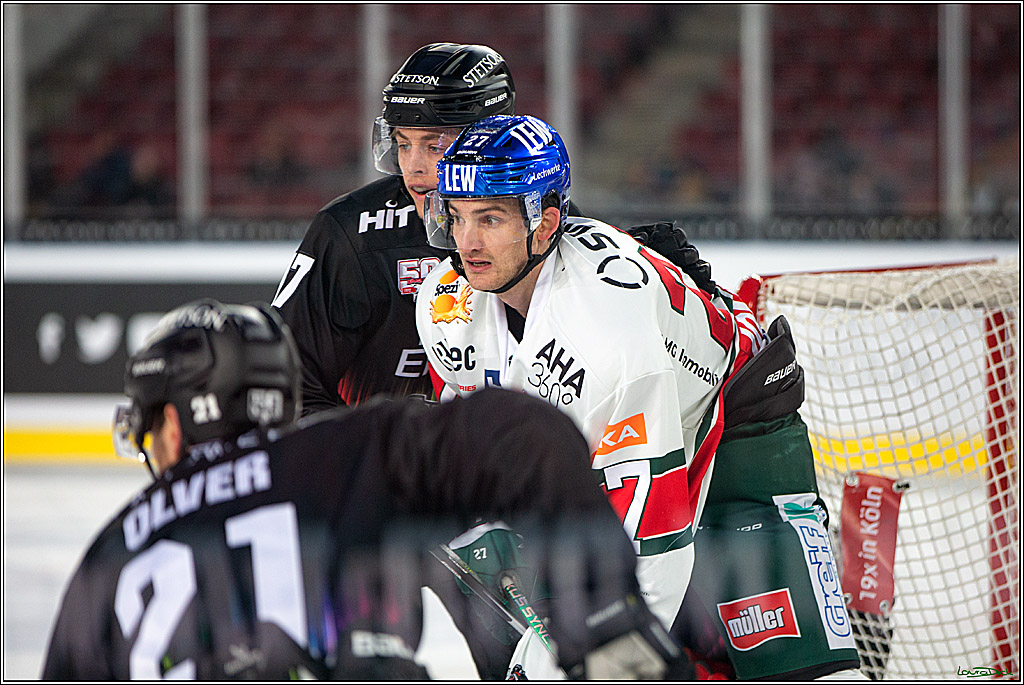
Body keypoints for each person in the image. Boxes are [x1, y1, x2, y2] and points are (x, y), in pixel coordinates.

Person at [414, 115, 862, 679]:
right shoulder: (444, 303)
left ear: (546, 223)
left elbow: (659, 539)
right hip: (627, 450)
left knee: (802, 669)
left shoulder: (608, 336)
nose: (466, 241)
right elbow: (467, 445)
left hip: (739, 433)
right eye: (456, 217)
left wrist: (611, 655)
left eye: (490, 218)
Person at [41, 298, 690, 680]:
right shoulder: (336, 454)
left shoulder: (109, 551)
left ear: (175, 425)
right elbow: (519, 429)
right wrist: (601, 606)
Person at [271, 43, 517, 413]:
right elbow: (286, 379)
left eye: (434, 146)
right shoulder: (351, 231)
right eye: (403, 145)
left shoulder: (537, 223)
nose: (413, 167)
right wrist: (375, 455)